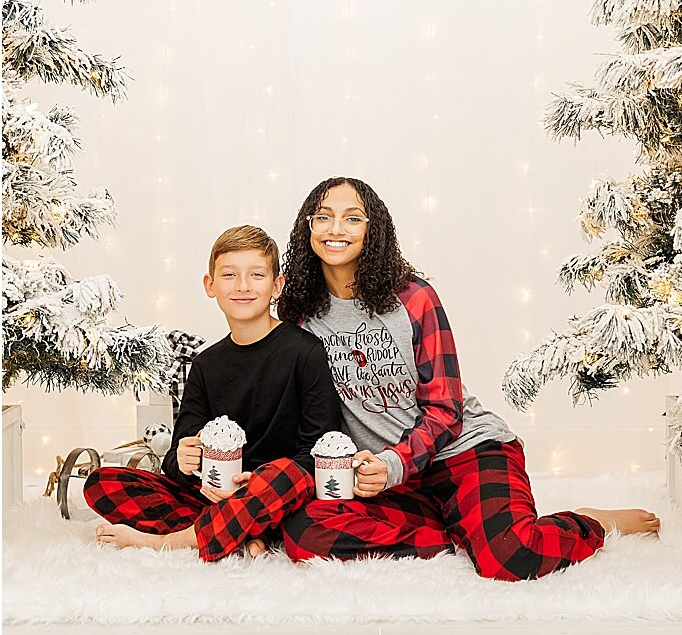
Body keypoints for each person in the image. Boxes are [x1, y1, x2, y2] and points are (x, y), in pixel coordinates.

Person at [277, 176, 661, 581]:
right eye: (324, 217)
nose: (336, 229)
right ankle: (463, 533)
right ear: (308, 227)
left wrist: (394, 463)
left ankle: (586, 523)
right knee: (306, 534)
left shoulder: (411, 297)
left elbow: (445, 409)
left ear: (373, 230)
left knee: (512, 558)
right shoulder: (301, 314)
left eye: (352, 218)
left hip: (463, 451)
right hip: (391, 481)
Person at [82, 225, 342, 560]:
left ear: (277, 286)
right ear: (210, 285)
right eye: (230, 275)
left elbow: (317, 451)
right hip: (215, 494)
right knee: (103, 482)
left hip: (279, 494)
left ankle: (168, 542)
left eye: (257, 275)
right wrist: (185, 460)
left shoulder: (305, 352)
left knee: (288, 476)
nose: (243, 286)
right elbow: (176, 460)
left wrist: (256, 483)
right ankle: (244, 532)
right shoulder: (206, 364)